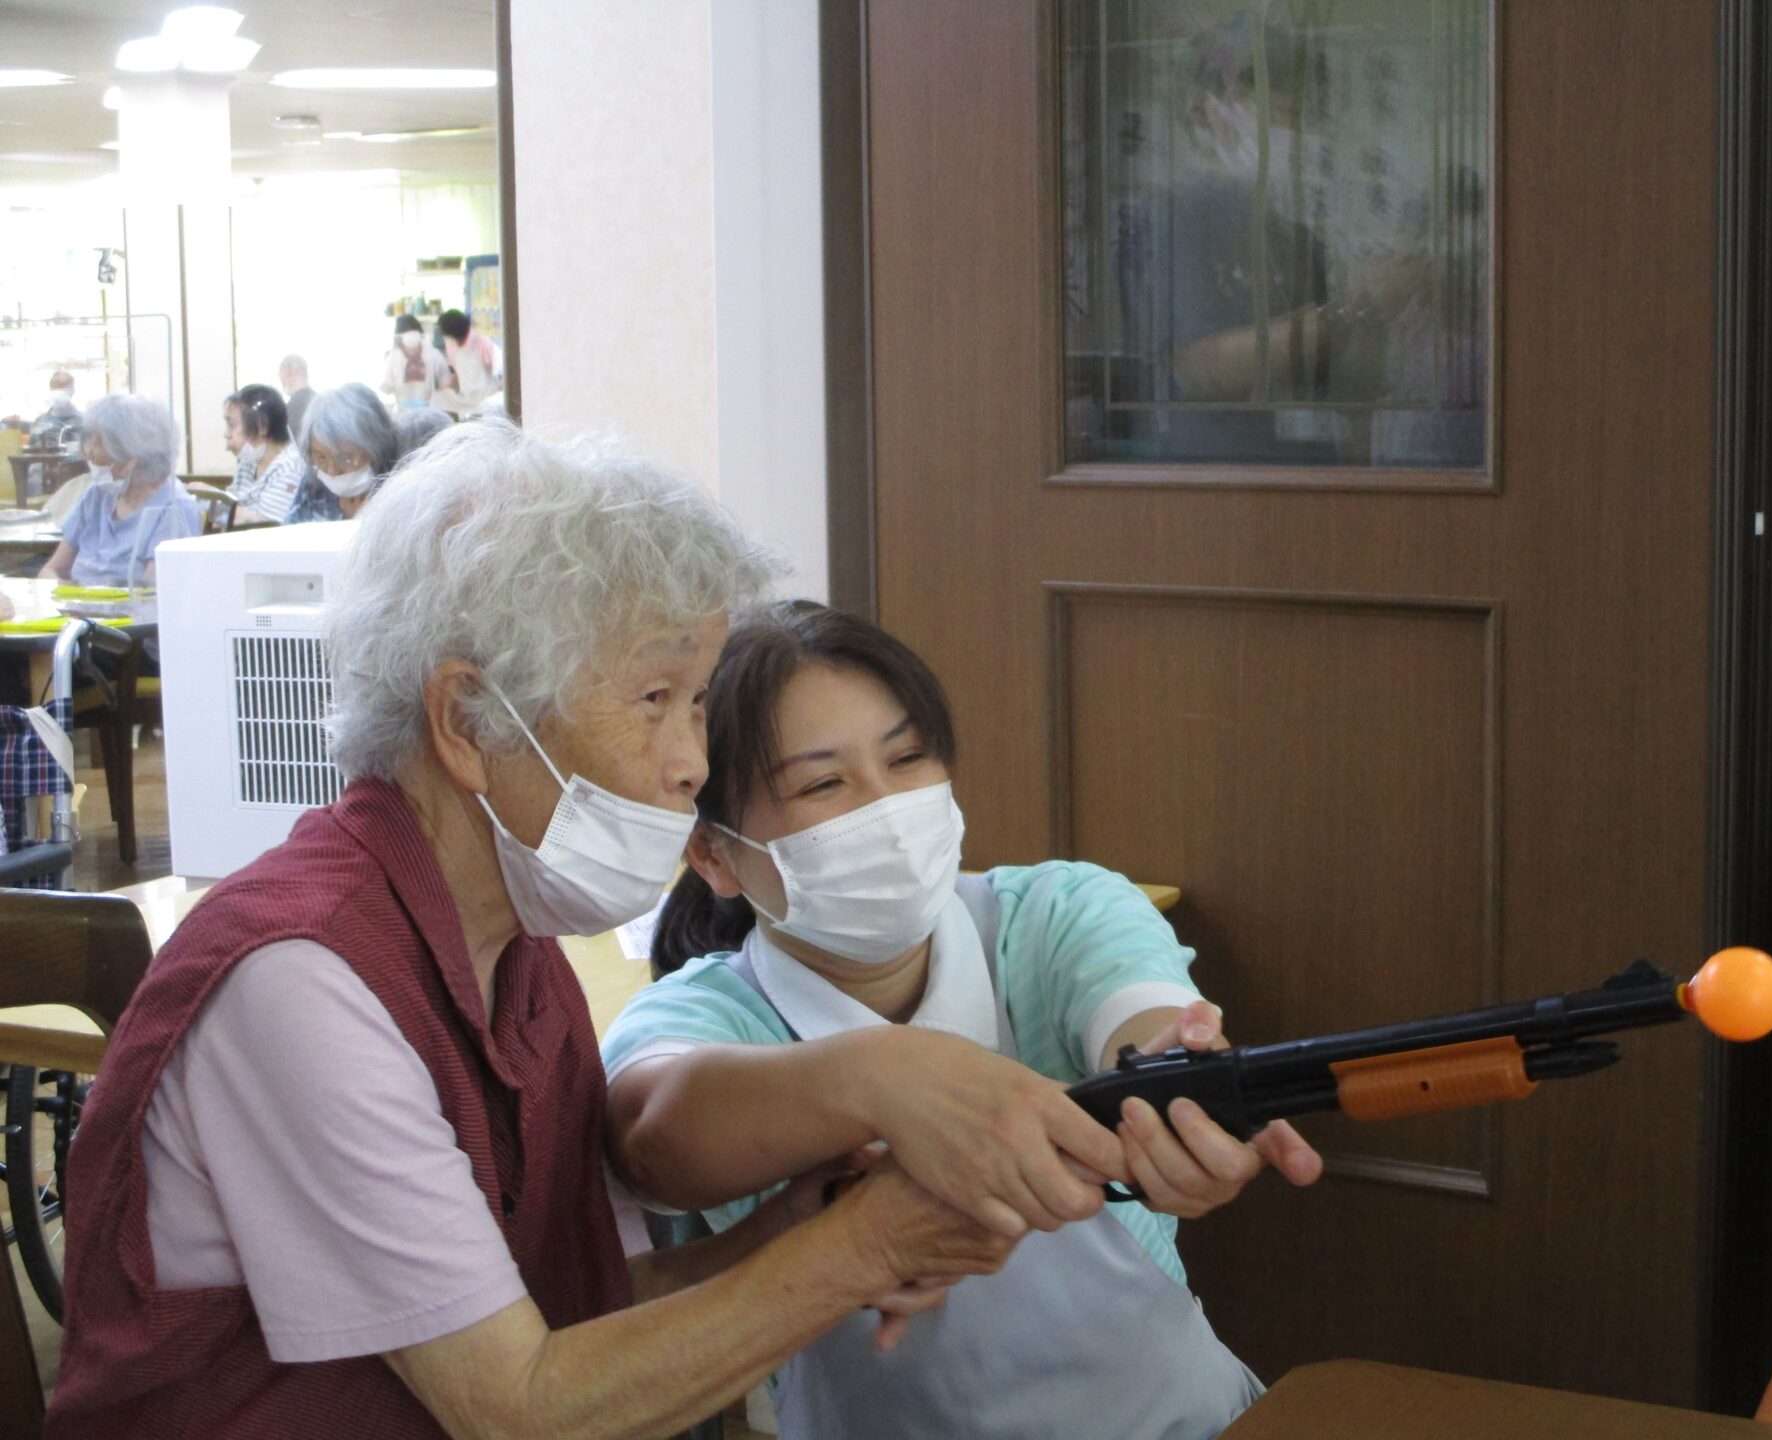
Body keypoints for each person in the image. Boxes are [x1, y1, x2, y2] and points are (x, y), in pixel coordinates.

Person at [45, 420, 1017, 1438]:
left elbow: (579, 1314)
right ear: (468, 722)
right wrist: (860, 1250)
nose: (692, 762)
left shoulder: (518, 949)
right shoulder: (302, 978)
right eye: (654, 699)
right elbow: (519, 1408)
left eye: (697, 703)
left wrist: (789, 1234)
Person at [603, 603, 1324, 1440]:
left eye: (907, 758)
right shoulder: (704, 1015)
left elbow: (1146, 1022)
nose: (886, 808)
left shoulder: (1055, 913)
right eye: (822, 784)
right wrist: (887, 1081)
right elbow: (655, 1133)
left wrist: (1181, 1094)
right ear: (714, 855)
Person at [40, 394, 200, 589]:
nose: (89, 452)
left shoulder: (175, 509)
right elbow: (50, 570)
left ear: (132, 455)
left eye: (99, 443)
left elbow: (152, 598)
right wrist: (71, 596)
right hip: (78, 613)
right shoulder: (96, 496)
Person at [289, 382, 398, 522]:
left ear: (375, 446)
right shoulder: (313, 488)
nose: (333, 471)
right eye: (321, 458)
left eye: (345, 457)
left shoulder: (396, 493)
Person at [222, 384, 305, 524]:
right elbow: (231, 503)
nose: (226, 434)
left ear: (262, 426)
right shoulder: (248, 462)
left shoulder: (289, 468)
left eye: (232, 425)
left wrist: (213, 503)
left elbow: (266, 527)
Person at [433, 309, 505, 417]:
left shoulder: (483, 344)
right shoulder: (453, 347)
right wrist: (446, 388)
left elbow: (500, 377)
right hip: (466, 400)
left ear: (454, 333)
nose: (445, 338)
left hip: (486, 402)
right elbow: (458, 373)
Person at [381, 314, 452, 412]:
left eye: (413, 330)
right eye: (407, 331)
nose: (410, 335)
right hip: (409, 412)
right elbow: (387, 388)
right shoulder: (393, 357)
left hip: (425, 411)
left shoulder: (432, 354)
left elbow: (446, 382)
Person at [27, 370, 81, 449]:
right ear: (50, 388)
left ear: (72, 390)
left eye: (63, 385)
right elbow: (31, 451)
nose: (59, 389)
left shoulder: (83, 422)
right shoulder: (40, 422)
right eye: (55, 385)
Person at [279, 353, 316, 438]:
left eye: (281, 379)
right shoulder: (319, 402)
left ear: (289, 373)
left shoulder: (291, 409)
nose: (282, 384)